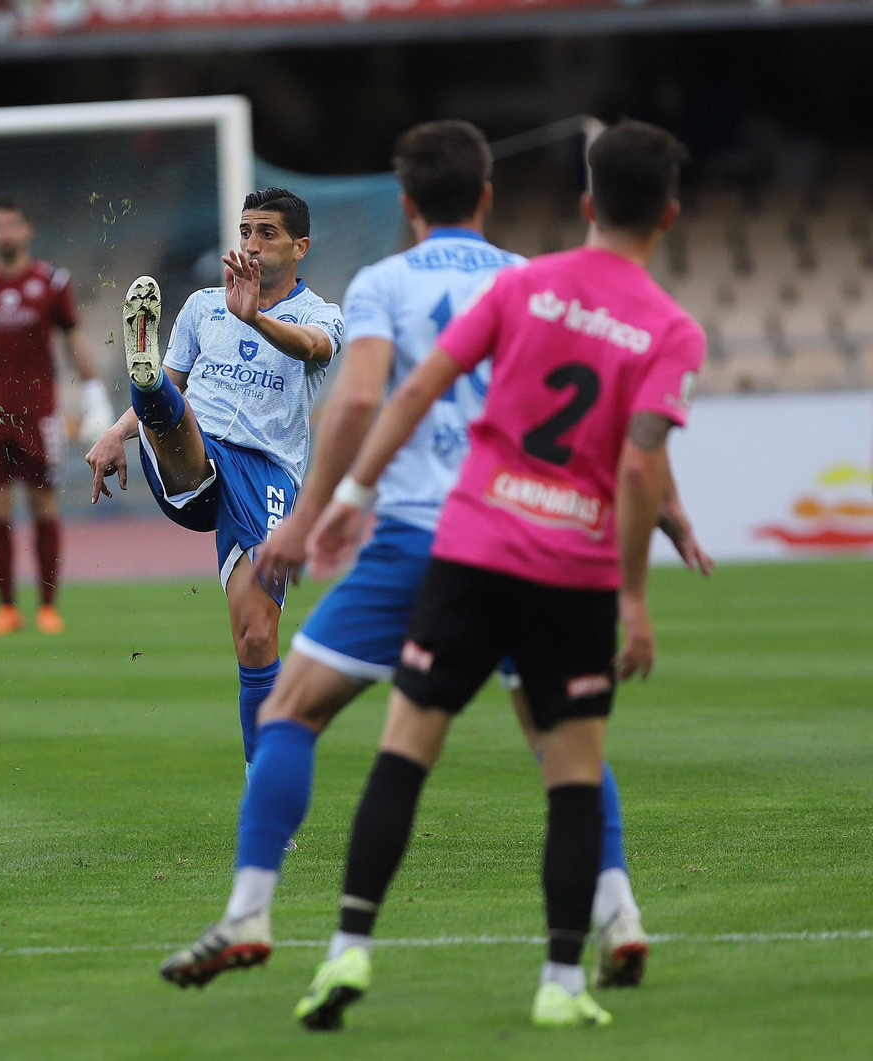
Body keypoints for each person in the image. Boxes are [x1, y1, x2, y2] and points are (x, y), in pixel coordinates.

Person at [159, 121, 711, 1000]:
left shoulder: (383, 283)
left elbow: (376, 397)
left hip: (429, 534)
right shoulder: (532, 281)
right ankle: (619, 916)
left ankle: (255, 911)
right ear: (489, 198)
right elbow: (622, 420)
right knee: (561, 743)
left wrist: (326, 510)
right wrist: (670, 517)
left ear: (406, 203)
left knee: (297, 708)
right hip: (534, 534)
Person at [85, 188, 344, 772]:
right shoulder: (203, 306)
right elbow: (182, 373)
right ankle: (146, 391)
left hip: (268, 473)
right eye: (247, 231)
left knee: (256, 638)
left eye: (268, 233)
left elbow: (312, 348)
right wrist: (112, 434)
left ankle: (264, 785)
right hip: (195, 454)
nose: (252, 244)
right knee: (164, 392)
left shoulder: (320, 315)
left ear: (300, 246)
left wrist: (255, 318)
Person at [0, 197, 113, 635]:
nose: (5, 233)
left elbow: (74, 340)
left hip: (40, 415)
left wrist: (93, 395)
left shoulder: (52, 281)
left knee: (44, 505)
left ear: (27, 230)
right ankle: (7, 607)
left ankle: (48, 606)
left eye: (12, 224)